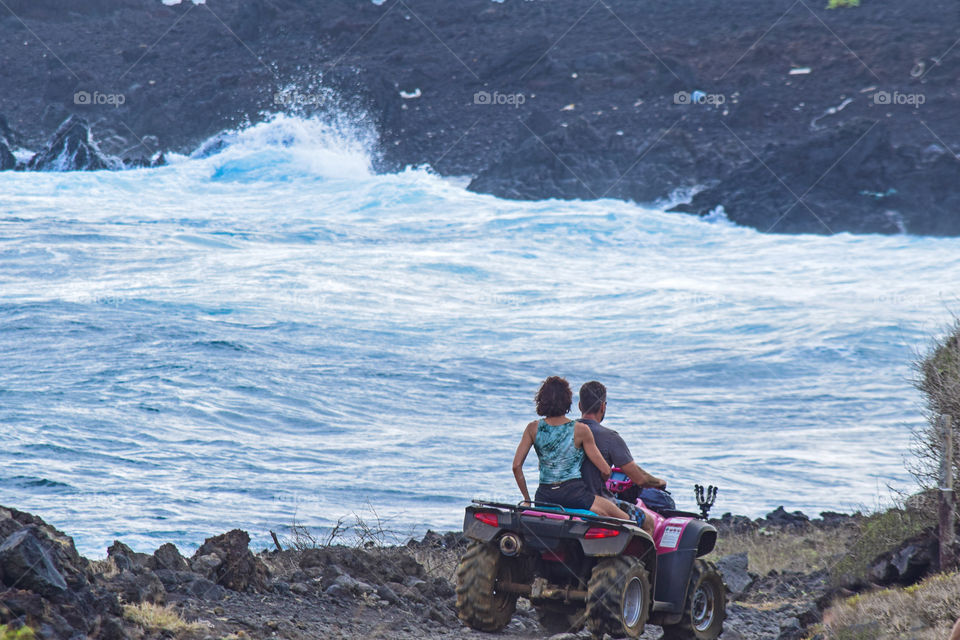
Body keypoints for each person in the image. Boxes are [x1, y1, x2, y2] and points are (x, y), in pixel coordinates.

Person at [512, 376, 631, 520]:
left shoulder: (533, 428)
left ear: (541, 400)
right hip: (574, 495)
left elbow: (516, 466)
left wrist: (526, 498)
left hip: (544, 495)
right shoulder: (580, 429)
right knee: (624, 519)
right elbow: (605, 470)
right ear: (568, 401)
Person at [578, 380, 666, 534]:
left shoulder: (565, 431)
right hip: (599, 503)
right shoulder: (610, 437)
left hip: (568, 501)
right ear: (603, 407)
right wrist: (659, 482)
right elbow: (640, 479)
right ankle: (642, 558)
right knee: (648, 521)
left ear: (579, 405)